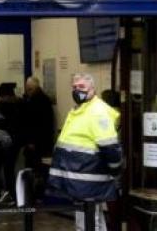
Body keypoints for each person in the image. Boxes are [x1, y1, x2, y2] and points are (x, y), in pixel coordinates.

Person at [47, 73, 122, 231]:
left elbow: (110, 147)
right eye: (74, 87)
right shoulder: (80, 110)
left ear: (92, 89)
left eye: (82, 87)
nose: (77, 91)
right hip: (80, 177)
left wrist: (115, 170)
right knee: (93, 220)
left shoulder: (97, 111)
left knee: (86, 223)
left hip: (88, 178)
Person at [22, 76, 55, 200]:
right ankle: (39, 195)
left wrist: (31, 140)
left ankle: (36, 195)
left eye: (29, 88)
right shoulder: (43, 99)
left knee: (36, 169)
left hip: (37, 144)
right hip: (43, 142)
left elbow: (35, 123)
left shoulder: (37, 101)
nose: (27, 91)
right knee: (41, 170)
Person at [0, 82, 25, 202]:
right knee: (10, 168)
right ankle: (13, 193)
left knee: (6, 169)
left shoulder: (3, 107)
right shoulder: (20, 105)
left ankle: (9, 193)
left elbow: (0, 124)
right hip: (15, 142)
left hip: (7, 142)